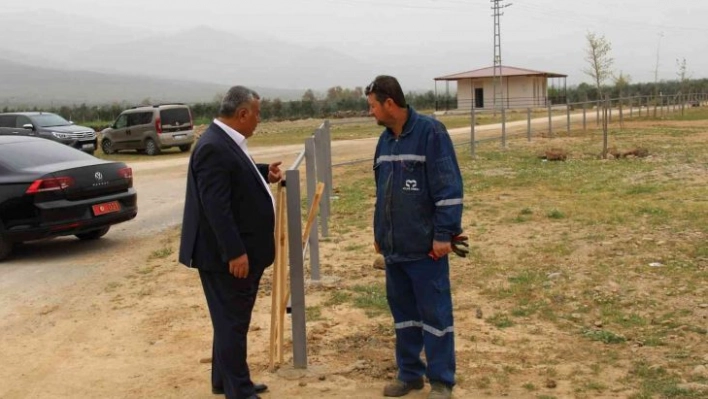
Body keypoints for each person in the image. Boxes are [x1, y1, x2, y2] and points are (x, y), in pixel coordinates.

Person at [179, 85, 282, 399]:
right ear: (242, 113)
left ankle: (224, 380)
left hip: (230, 254)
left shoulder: (224, 141)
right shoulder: (214, 146)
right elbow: (216, 208)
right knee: (233, 323)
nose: (258, 120)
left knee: (228, 320)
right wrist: (235, 253)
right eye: (257, 114)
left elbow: (235, 176)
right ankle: (239, 389)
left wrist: (263, 172)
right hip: (224, 258)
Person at [366, 75, 463, 399]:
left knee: (435, 315)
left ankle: (441, 381)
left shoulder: (430, 133)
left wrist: (443, 235)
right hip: (395, 249)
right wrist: (379, 233)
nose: (371, 113)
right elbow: (382, 192)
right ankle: (410, 374)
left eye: (372, 107)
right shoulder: (385, 142)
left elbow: (448, 188)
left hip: (426, 250)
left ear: (389, 104)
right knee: (404, 317)